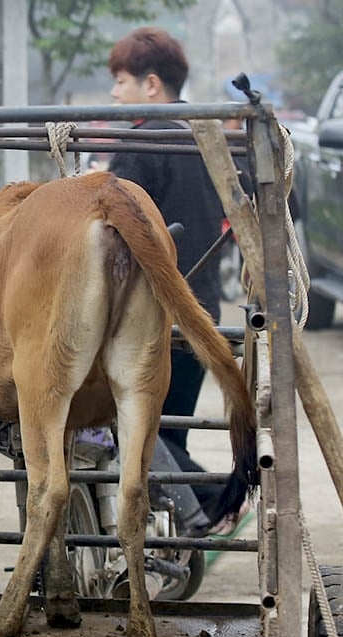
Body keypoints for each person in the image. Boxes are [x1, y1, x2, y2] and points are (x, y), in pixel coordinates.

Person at [106, 26, 228, 531]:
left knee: (136, 429)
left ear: (151, 85)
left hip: (155, 317)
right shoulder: (208, 139)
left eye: (120, 80)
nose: (115, 92)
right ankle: (215, 499)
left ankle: (211, 502)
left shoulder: (141, 142)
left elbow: (109, 225)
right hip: (206, 312)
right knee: (167, 433)